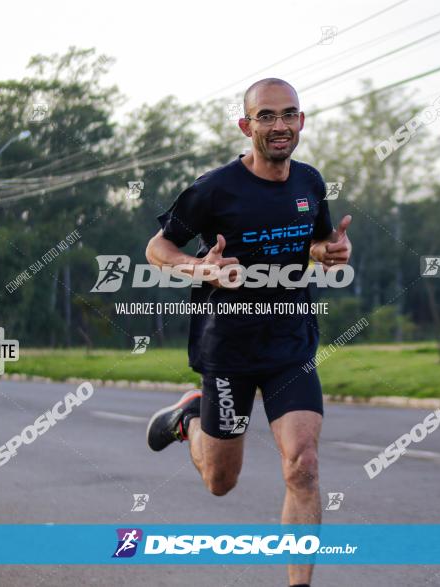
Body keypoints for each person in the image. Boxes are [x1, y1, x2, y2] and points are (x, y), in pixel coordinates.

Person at [145, 78, 352, 587]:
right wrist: (202, 270)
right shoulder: (214, 188)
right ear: (247, 125)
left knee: (302, 465)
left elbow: (318, 244)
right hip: (228, 350)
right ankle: (187, 421)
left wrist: (330, 252)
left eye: (289, 114)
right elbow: (157, 250)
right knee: (220, 482)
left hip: (289, 344)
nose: (279, 125)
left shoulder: (310, 183)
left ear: (301, 121)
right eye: (266, 116)